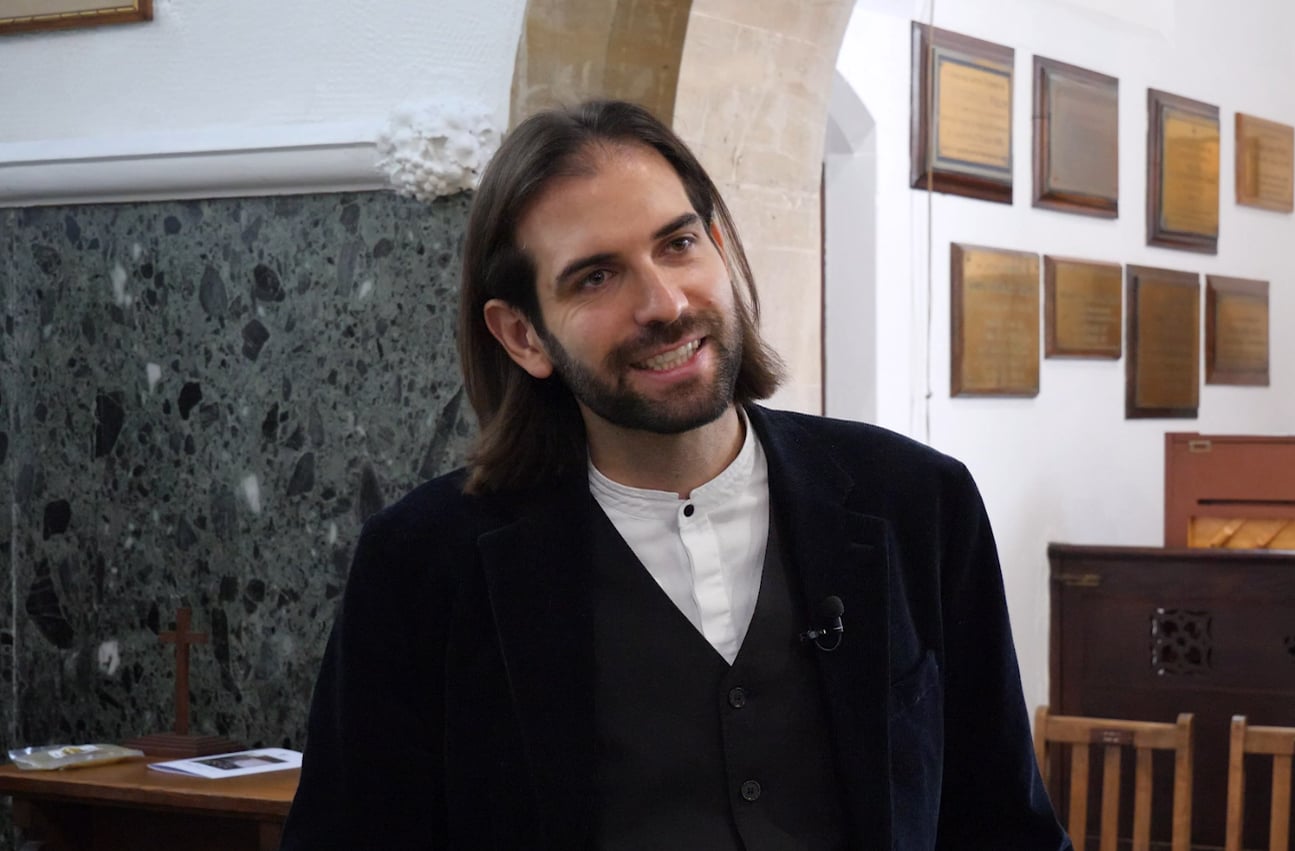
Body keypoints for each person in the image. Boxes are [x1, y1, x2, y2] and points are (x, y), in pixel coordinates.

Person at [281, 99, 1069, 850]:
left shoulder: (918, 504)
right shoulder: (424, 566)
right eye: (596, 276)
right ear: (523, 334)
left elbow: (1002, 823)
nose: (663, 302)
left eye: (678, 244)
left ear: (720, 249)